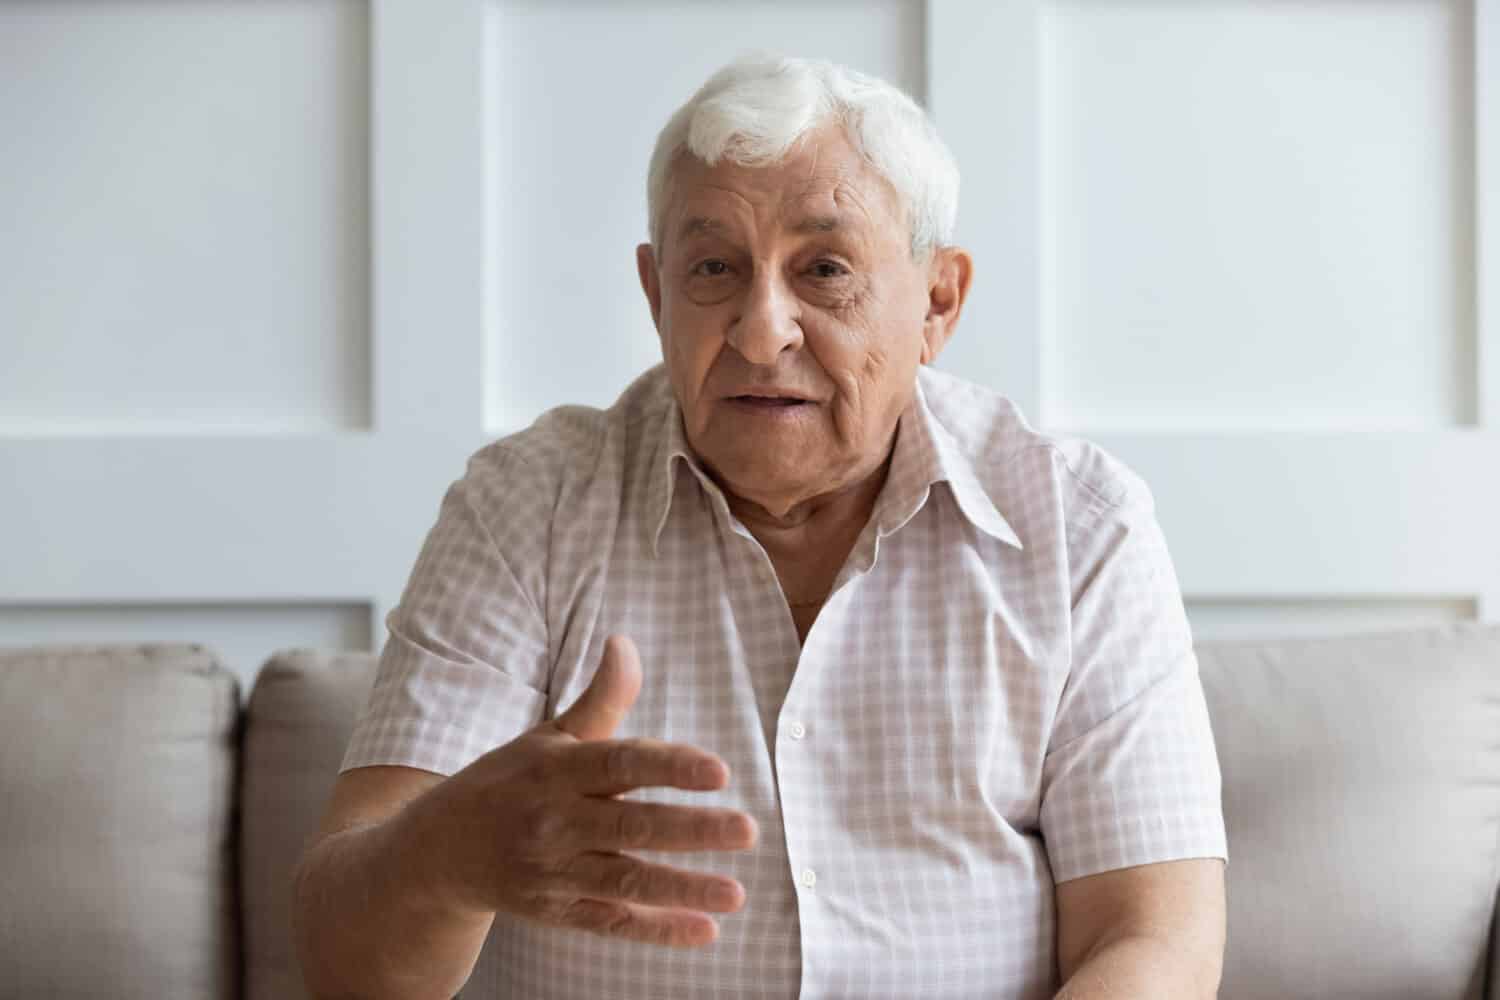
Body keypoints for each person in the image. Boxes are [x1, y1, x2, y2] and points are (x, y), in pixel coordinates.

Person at [292, 54, 1227, 1000]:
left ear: (937, 301)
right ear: (657, 294)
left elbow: (1153, 944)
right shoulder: (526, 507)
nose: (760, 330)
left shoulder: (1080, 527)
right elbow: (343, 966)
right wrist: (448, 853)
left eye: (824, 270)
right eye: (714, 269)